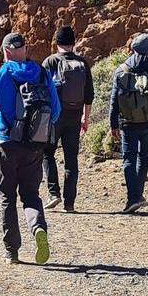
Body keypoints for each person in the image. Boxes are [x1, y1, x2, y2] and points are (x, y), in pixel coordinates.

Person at [0, 32, 60, 264]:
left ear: (5, 52)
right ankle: (37, 228)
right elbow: (56, 111)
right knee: (31, 195)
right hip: (35, 146)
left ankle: (11, 251)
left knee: (7, 197)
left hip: (6, 144)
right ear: (25, 49)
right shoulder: (43, 74)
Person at [108, 32, 148, 213]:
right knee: (143, 156)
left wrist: (113, 123)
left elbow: (114, 99)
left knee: (128, 158)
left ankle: (133, 197)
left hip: (127, 122)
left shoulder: (121, 69)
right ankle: (138, 195)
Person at [40, 26, 93, 212]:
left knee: (47, 153)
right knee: (71, 160)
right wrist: (85, 119)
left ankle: (54, 193)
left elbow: (41, 91)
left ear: (57, 43)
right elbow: (89, 95)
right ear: (73, 43)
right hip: (75, 115)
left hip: (55, 117)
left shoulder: (50, 62)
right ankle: (69, 204)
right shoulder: (82, 63)